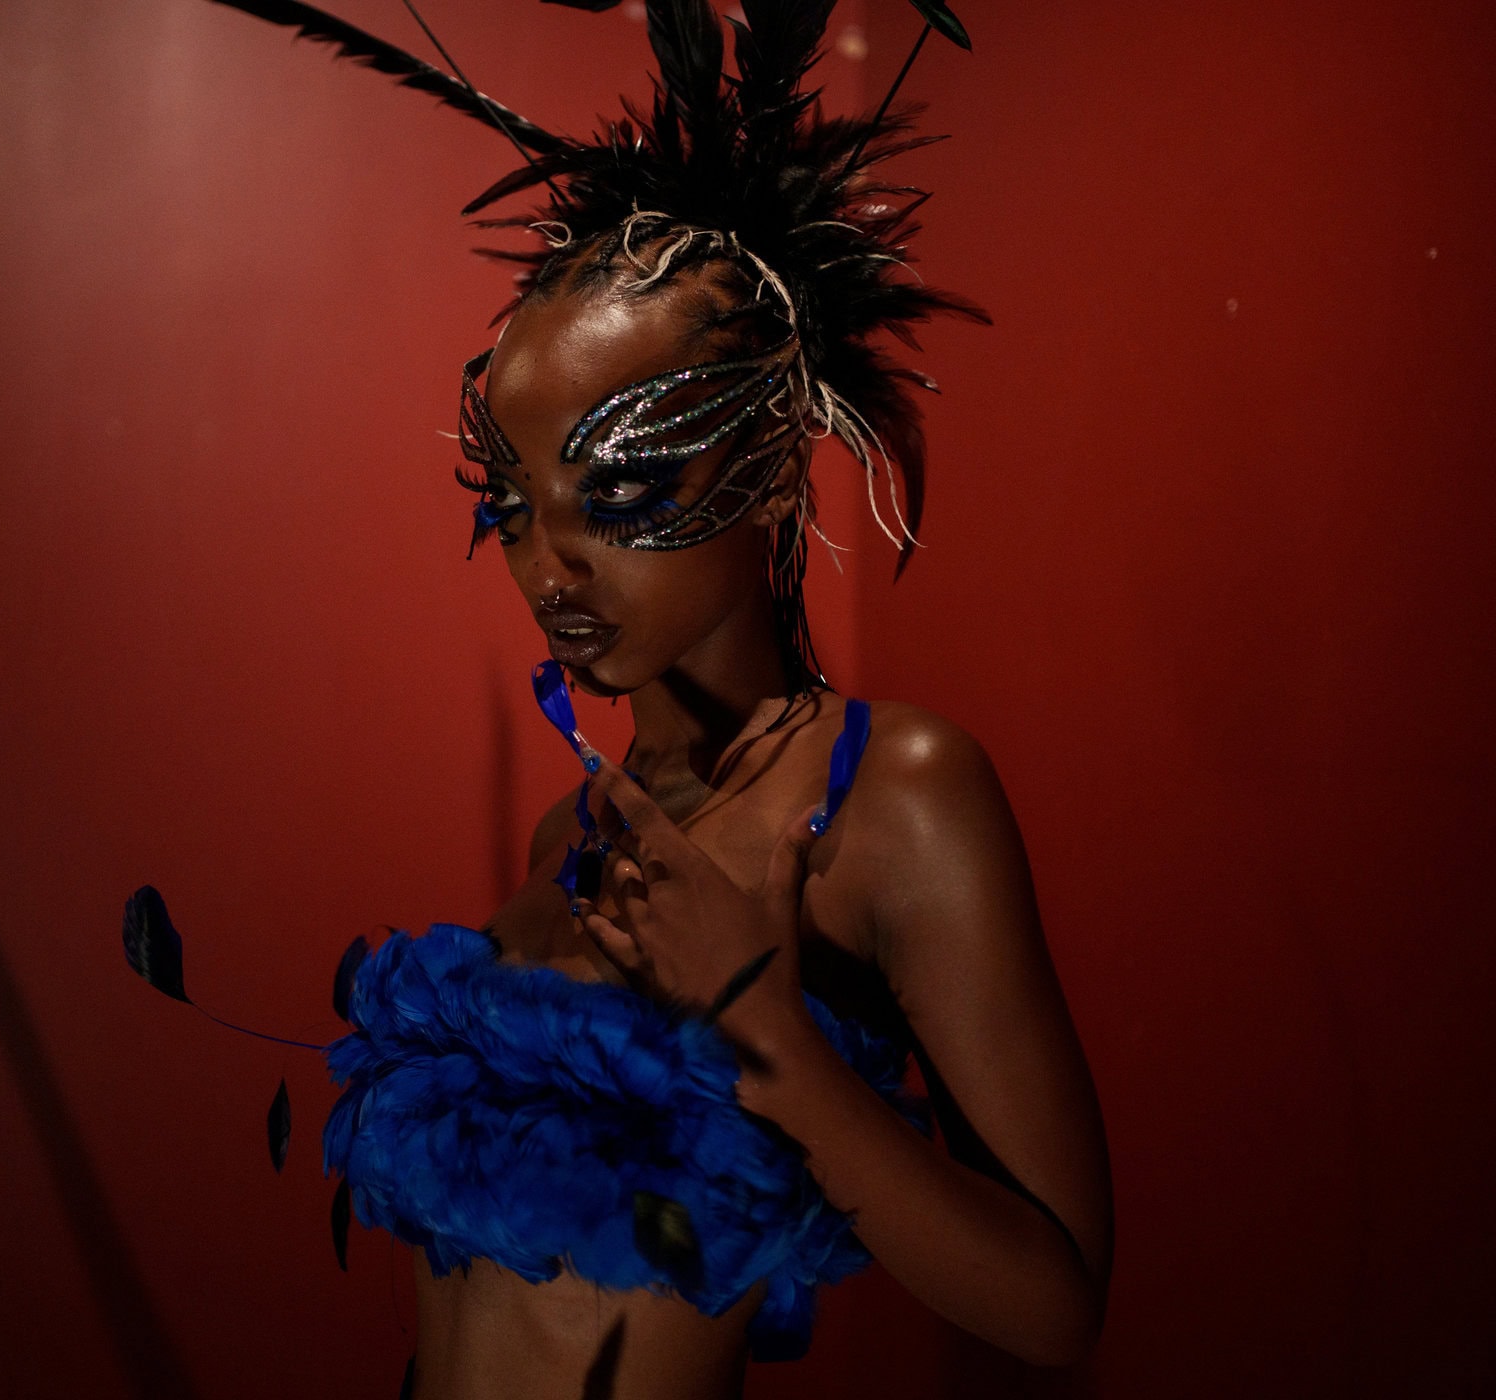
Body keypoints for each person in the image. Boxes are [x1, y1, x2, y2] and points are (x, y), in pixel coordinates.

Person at [209, 4, 1112, 1395]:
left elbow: (1052, 1308)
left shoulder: (894, 798)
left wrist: (764, 1037)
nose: (547, 566)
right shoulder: (570, 840)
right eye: (513, 505)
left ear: (776, 458)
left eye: (619, 487)